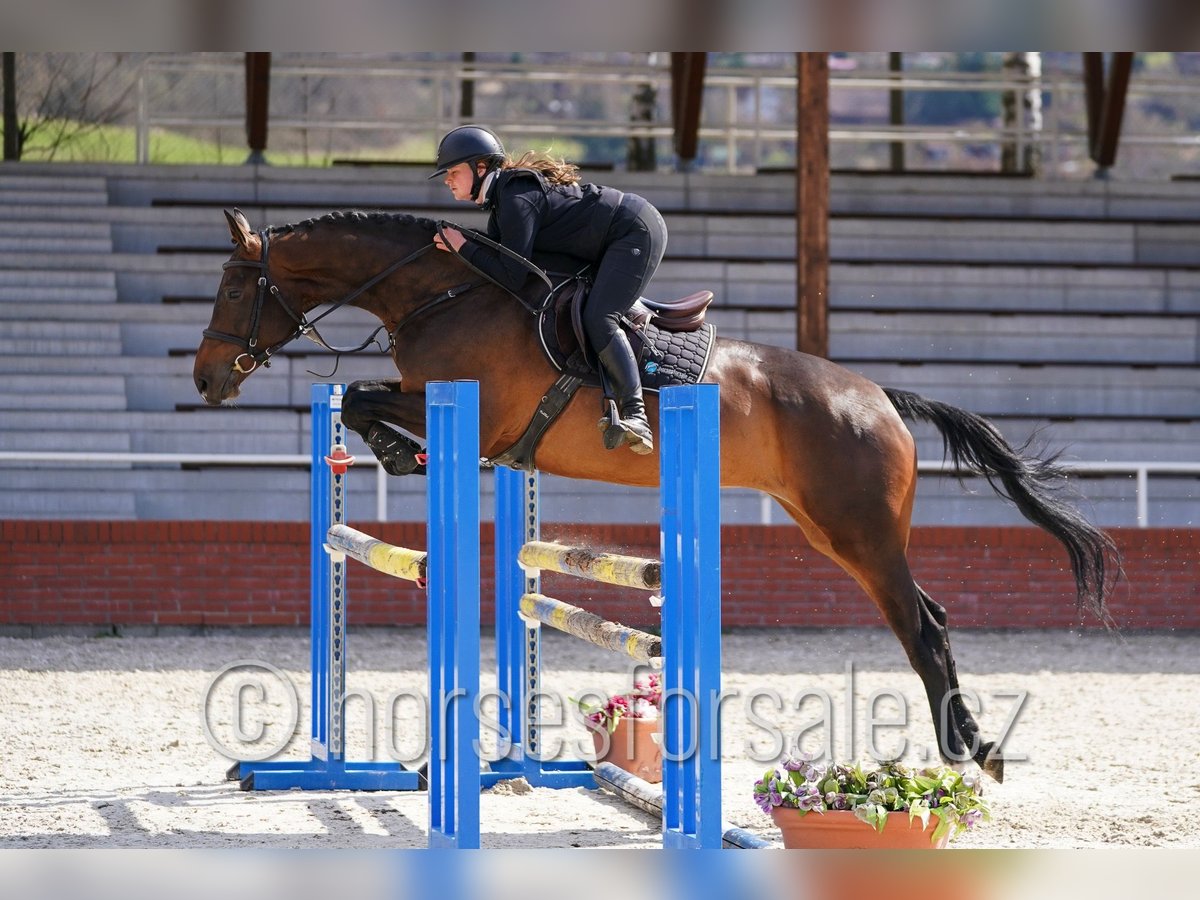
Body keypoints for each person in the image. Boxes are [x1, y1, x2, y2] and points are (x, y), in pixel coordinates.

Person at [429, 124, 667, 455]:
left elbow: (513, 275)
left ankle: (635, 414)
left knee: (600, 318)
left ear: (480, 167)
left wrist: (463, 247)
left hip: (633, 231)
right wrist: (465, 245)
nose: (447, 180)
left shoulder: (515, 197)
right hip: (610, 237)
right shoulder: (503, 204)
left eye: (453, 171)